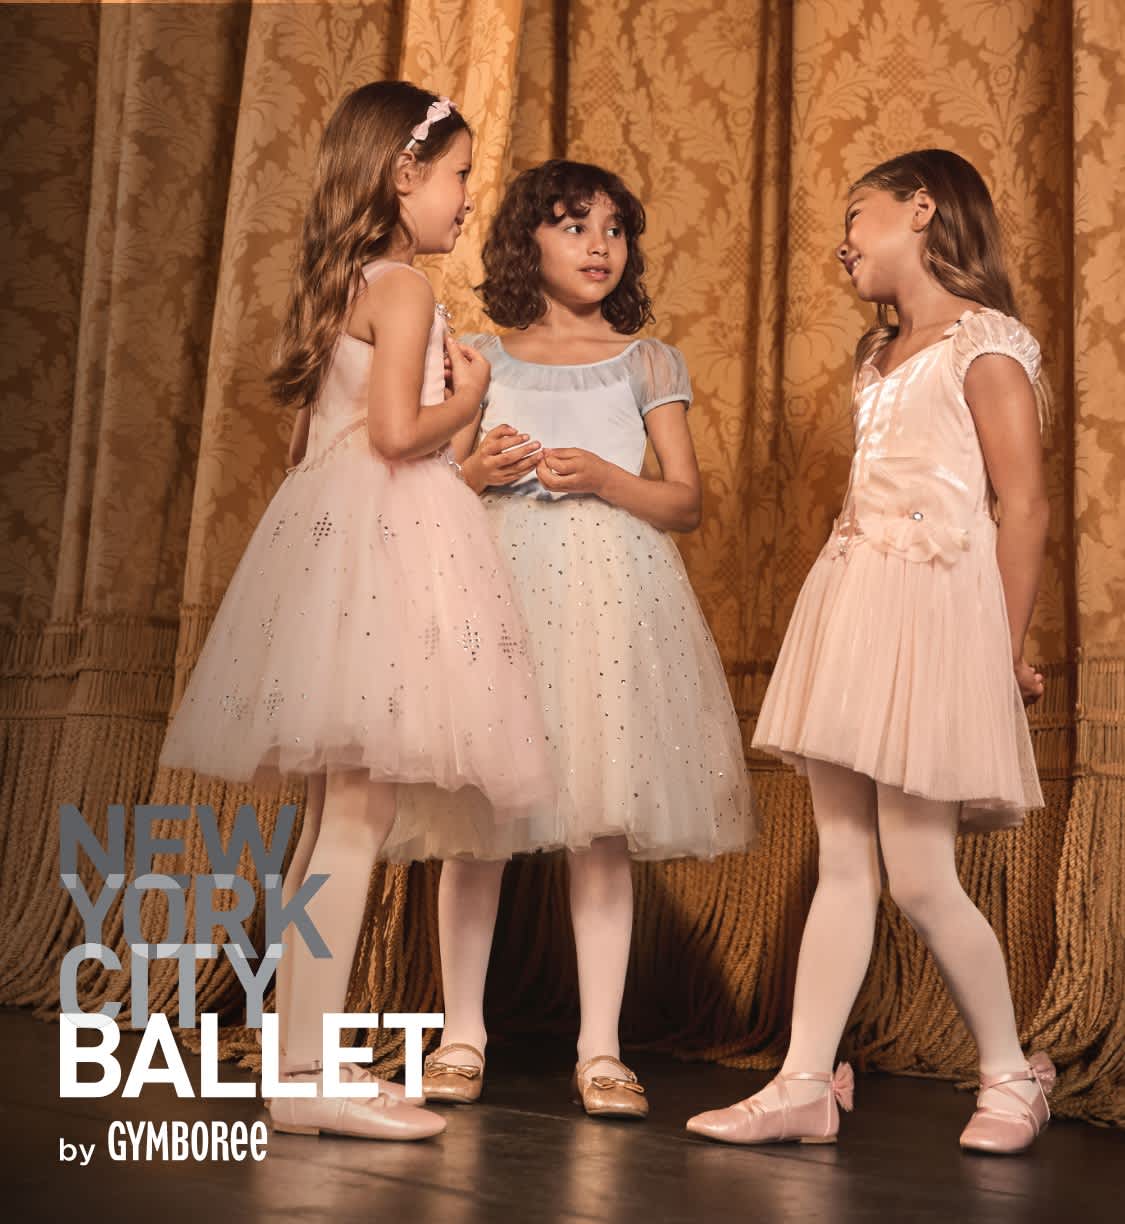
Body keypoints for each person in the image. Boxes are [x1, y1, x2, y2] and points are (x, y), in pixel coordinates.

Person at [160, 81, 552, 1141]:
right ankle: (307, 1080)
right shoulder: (407, 288)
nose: (471, 196)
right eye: (461, 174)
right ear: (404, 176)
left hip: (344, 551)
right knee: (357, 820)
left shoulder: (346, 284)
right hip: (386, 557)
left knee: (334, 822)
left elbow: (330, 449)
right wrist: (465, 404)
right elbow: (390, 439)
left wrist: (459, 461)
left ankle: (300, 1065)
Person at [686, 149, 1054, 1155]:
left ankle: (1012, 1075)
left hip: (936, 619)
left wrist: (1001, 644)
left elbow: (1021, 505)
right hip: (856, 609)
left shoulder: (985, 346)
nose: (841, 239)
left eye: (859, 213)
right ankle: (804, 1082)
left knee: (922, 875)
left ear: (922, 209)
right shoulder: (877, 354)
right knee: (843, 862)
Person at [384, 160, 754, 1119]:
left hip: (609, 602)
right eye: (572, 226)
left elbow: (684, 500)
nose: (598, 246)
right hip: (493, 593)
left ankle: (600, 1047)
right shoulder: (476, 354)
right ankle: (460, 1034)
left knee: (601, 822)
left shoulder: (646, 360)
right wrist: (474, 470)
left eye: (614, 230)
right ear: (527, 242)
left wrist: (602, 477)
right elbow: (424, 485)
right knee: (477, 822)